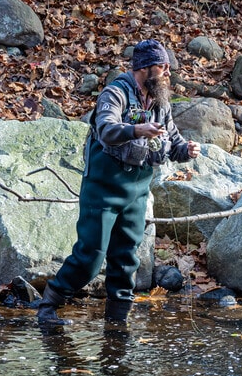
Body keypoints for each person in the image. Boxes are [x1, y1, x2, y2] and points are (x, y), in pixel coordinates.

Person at [37, 39, 201, 325]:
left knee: (127, 259)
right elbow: (106, 129)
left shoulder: (161, 102)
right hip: (103, 186)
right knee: (90, 256)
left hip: (138, 190)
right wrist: (138, 129)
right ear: (144, 68)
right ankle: (49, 306)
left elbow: (173, 143)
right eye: (162, 67)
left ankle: (117, 324)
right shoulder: (115, 93)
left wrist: (186, 150)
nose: (167, 73)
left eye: (167, 67)